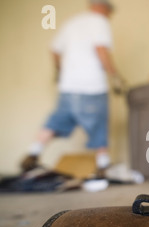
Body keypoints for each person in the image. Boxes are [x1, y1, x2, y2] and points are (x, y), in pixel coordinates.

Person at [21, 0, 123, 178]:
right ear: (102, 7)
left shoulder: (71, 22)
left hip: (68, 86)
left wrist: (60, 70)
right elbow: (100, 49)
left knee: (56, 121)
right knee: (98, 124)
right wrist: (115, 76)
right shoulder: (99, 21)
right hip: (91, 85)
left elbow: (54, 50)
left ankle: (32, 154)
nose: (109, 16)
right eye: (109, 12)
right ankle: (103, 165)